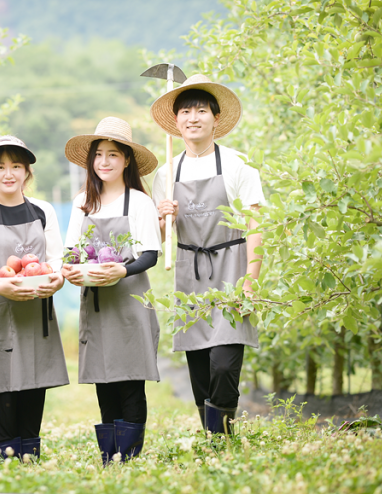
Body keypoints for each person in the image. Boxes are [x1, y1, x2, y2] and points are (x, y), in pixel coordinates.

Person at [150, 74, 264, 434]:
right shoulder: (167, 173)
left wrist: (251, 279)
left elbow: (257, 225)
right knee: (199, 363)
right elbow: (160, 238)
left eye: (201, 110)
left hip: (231, 268)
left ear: (216, 118)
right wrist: (163, 217)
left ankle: (222, 433)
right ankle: (212, 436)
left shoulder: (237, 164)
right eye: (185, 111)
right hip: (190, 270)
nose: (193, 117)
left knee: (225, 362)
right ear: (176, 121)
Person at [61, 117, 162, 464]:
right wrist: (71, 270)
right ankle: (110, 456)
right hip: (97, 301)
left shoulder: (139, 202)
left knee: (131, 379)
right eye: (98, 155)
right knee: (104, 379)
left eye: (113, 155)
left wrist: (121, 269)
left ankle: (129, 457)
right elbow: (71, 252)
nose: (104, 162)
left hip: (130, 301)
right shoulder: (82, 202)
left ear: (127, 160)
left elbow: (150, 253)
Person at [0, 136, 69, 460]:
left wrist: (56, 279)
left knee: (32, 380)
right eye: (0, 167)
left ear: (27, 172)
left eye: (15, 166)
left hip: (34, 306)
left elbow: (56, 259)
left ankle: (29, 455)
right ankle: (4, 455)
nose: (8, 174)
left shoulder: (42, 210)